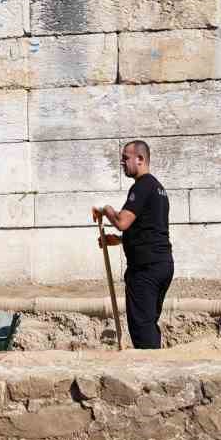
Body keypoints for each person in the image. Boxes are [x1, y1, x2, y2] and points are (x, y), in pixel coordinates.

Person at [95, 140, 175, 349]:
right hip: (161, 265)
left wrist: (106, 209)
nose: (122, 162)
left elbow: (122, 222)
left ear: (140, 159)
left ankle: (152, 373)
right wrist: (121, 241)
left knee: (142, 327)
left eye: (125, 158)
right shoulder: (159, 189)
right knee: (148, 322)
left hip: (145, 270)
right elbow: (149, 230)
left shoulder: (142, 186)